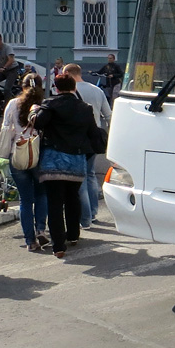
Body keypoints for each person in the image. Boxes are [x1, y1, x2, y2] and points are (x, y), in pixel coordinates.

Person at [31, 74, 95, 258]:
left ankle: (58, 245)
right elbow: (92, 133)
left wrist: (35, 111)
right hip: (76, 161)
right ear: (74, 87)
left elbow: (38, 123)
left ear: (56, 87)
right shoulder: (85, 108)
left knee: (55, 203)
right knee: (73, 198)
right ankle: (73, 235)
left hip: (53, 161)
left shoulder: (50, 105)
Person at [1, 72, 49, 252]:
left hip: (17, 155)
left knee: (25, 200)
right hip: (39, 155)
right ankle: (41, 230)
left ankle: (30, 241)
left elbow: (6, 129)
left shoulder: (13, 104)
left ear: (22, 87)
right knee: (42, 195)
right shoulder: (44, 105)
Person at [63, 64, 111, 229]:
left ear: (69, 74)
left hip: (77, 139)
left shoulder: (70, 91)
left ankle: (86, 217)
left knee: (80, 177)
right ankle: (94, 212)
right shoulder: (97, 90)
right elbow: (108, 115)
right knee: (90, 175)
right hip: (94, 138)